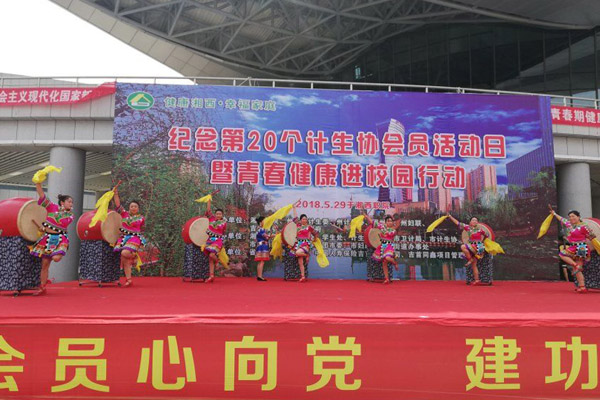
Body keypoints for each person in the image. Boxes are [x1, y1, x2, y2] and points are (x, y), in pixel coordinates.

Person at [30, 183, 74, 295]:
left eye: (72, 202)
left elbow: (61, 222)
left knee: (56, 258)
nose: (71, 204)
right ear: (62, 202)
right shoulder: (51, 206)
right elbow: (42, 196)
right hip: (47, 239)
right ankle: (42, 287)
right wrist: (38, 184)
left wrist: (45, 225)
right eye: (69, 201)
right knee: (45, 265)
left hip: (60, 239)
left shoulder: (70, 215)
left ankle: (55, 254)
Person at [550, 206, 595, 293]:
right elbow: (562, 219)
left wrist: (586, 236)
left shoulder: (584, 226)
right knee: (575, 267)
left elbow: (592, 236)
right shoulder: (569, 225)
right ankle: (582, 286)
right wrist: (554, 214)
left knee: (563, 255)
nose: (571, 218)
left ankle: (582, 285)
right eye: (570, 217)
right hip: (574, 247)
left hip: (581, 247)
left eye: (573, 216)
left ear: (578, 217)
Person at [113, 188, 146, 287]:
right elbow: (118, 205)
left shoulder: (141, 218)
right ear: (129, 208)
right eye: (132, 206)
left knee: (124, 253)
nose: (133, 208)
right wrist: (115, 194)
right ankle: (129, 280)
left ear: (138, 208)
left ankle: (135, 256)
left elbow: (141, 228)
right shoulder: (124, 214)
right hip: (123, 238)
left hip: (134, 238)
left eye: (135, 206)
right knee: (124, 259)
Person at [447, 213, 488, 286]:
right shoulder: (468, 228)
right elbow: (458, 223)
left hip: (478, 247)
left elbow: (486, 235)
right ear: (470, 222)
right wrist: (450, 216)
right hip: (471, 246)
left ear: (477, 222)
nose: (474, 221)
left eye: (476, 220)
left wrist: (482, 241)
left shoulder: (480, 230)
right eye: (473, 220)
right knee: (474, 264)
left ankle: (471, 259)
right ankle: (477, 279)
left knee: (463, 246)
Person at [363, 212, 400, 284]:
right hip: (383, 246)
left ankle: (395, 263)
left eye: (391, 221)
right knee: (384, 262)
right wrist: (366, 216)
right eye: (388, 221)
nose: (390, 222)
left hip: (389, 246)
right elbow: (372, 222)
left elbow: (392, 229)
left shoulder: (393, 230)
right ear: (385, 222)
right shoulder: (382, 227)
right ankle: (387, 279)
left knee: (387, 258)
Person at [291, 205, 318, 283]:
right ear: (300, 220)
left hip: (305, 244)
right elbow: (295, 216)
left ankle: (307, 255)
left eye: (306, 219)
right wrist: (294, 208)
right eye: (303, 219)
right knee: (300, 263)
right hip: (298, 244)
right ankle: (303, 276)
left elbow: (315, 233)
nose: (304, 220)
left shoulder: (309, 227)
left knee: (297, 253)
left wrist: (314, 240)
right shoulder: (298, 225)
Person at [203, 198, 227, 283]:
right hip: (210, 240)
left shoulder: (224, 222)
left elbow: (222, 232)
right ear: (215, 214)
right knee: (210, 258)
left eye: (220, 214)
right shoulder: (211, 219)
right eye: (217, 214)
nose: (218, 215)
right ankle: (211, 276)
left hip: (217, 240)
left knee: (212, 255)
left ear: (222, 215)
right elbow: (208, 211)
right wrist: (209, 200)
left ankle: (217, 262)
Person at [254, 216, 270, 281]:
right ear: (261, 222)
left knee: (260, 261)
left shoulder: (260, 229)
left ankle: (259, 276)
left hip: (261, 245)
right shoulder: (261, 229)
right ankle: (260, 276)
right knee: (262, 261)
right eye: (264, 220)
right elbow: (266, 236)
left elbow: (266, 237)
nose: (265, 222)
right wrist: (274, 235)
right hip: (262, 246)